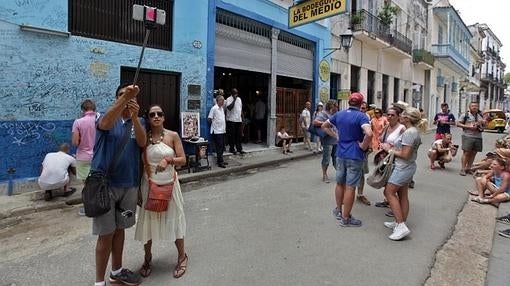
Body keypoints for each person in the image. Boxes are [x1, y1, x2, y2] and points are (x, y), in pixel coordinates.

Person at [91, 83, 146, 286]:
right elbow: (104, 124)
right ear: (116, 98)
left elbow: (141, 143)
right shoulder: (105, 118)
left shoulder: (138, 120)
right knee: (105, 234)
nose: (127, 97)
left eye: (131, 95)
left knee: (120, 229)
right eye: (122, 95)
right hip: (105, 187)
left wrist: (134, 117)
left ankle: (117, 271)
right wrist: (125, 98)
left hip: (129, 186)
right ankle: (99, 282)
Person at [135, 105, 188, 279]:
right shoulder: (144, 139)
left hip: (170, 186)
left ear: (164, 118)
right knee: (148, 224)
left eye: (160, 114)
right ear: (148, 119)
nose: (156, 116)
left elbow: (183, 160)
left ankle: (182, 256)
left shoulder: (172, 136)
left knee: (174, 221)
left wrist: (169, 160)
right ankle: (147, 258)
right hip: (149, 185)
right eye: (152, 114)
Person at [323, 92, 372, 227]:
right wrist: (363, 146)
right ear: (361, 103)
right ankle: (345, 218)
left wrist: (336, 136)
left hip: (341, 154)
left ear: (349, 102)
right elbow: (369, 133)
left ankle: (339, 210)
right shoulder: (361, 116)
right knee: (350, 187)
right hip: (355, 155)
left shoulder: (339, 114)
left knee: (339, 183)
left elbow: (324, 126)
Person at [380, 107, 427, 240]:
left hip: (403, 167)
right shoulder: (412, 131)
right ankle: (399, 222)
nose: (400, 116)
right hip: (408, 167)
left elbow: (405, 154)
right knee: (403, 194)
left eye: (403, 114)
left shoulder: (409, 132)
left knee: (389, 192)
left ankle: (401, 226)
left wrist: (390, 150)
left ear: (407, 118)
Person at [374, 107, 406, 210]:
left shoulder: (402, 128)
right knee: (386, 180)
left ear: (398, 117)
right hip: (385, 157)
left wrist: (390, 147)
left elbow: (404, 146)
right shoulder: (386, 127)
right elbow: (380, 138)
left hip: (395, 159)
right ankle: (387, 201)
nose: (390, 117)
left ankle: (396, 207)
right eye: (388, 114)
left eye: (393, 115)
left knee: (393, 184)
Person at [72, 99, 97, 215]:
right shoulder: (99, 120)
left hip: (83, 157)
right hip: (98, 156)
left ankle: (88, 208)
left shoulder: (78, 122)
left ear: (83, 109)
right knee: (99, 182)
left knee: (87, 184)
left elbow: (75, 142)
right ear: (94, 108)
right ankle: (101, 204)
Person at [457, 102, 486, 176]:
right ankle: (463, 169)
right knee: (466, 153)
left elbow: (484, 125)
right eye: (472, 106)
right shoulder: (465, 115)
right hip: (467, 136)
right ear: (469, 107)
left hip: (478, 136)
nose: (474, 107)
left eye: (476, 106)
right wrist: (469, 127)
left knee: (474, 153)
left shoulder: (480, 115)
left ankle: (468, 168)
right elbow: (458, 124)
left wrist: (483, 122)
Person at [314, 100, 339, 183]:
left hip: (336, 140)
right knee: (326, 159)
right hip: (327, 140)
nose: (337, 108)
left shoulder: (335, 114)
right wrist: (326, 123)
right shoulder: (323, 113)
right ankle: (325, 175)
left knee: (337, 158)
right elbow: (315, 122)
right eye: (335, 106)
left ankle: (340, 174)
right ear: (331, 106)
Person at [357, 102, 372, 206]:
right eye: (361, 108)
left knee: (361, 172)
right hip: (353, 148)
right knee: (351, 172)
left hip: (363, 149)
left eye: (364, 108)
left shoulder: (367, 117)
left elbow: (370, 133)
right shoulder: (354, 117)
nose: (362, 110)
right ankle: (347, 194)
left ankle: (360, 194)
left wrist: (369, 146)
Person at [208, 95, 227, 168]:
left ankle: (220, 160)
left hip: (222, 130)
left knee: (222, 147)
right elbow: (209, 119)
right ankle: (220, 162)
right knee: (219, 147)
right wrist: (214, 126)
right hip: (216, 131)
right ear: (217, 101)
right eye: (221, 100)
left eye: (223, 100)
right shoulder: (214, 108)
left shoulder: (222, 108)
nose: (223, 102)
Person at [225, 88, 245, 155]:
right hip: (231, 120)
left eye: (236, 93)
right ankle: (232, 149)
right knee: (232, 136)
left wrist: (242, 118)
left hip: (238, 120)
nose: (236, 94)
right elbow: (229, 108)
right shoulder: (228, 99)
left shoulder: (239, 99)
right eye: (234, 93)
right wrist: (234, 100)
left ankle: (239, 149)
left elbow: (240, 109)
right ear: (232, 93)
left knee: (239, 135)